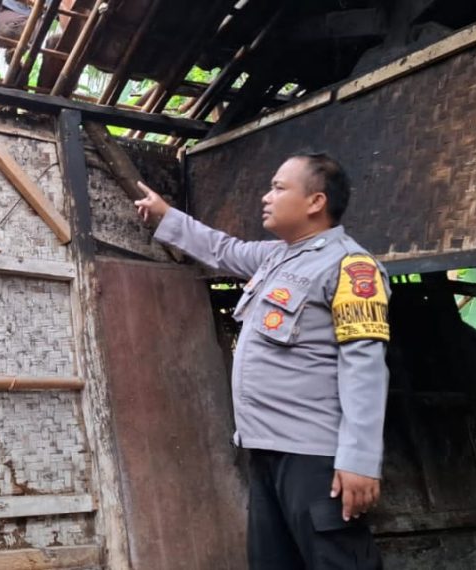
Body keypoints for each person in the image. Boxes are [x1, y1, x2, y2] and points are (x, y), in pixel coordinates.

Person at [134, 153, 388, 569]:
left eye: (278, 187)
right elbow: (223, 250)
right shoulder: (277, 257)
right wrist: (167, 216)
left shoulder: (350, 267)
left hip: (314, 457)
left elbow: (365, 366)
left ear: (315, 202)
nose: (266, 197)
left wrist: (359, 459)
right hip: (266, 451)